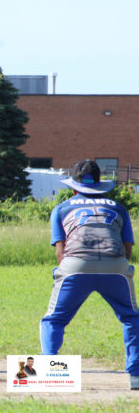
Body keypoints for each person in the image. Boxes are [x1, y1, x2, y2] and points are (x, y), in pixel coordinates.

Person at [41, 159, 139, 390]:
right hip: (115, 266)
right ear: (99, 185)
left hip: (76, 265)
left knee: (54, 319)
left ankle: (49, 372)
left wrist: (66, 272)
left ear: (74, 188)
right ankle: (136, 375)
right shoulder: (117, 207)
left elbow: (60, 251)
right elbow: (127, 248)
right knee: (131, 317)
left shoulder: (62, 208)